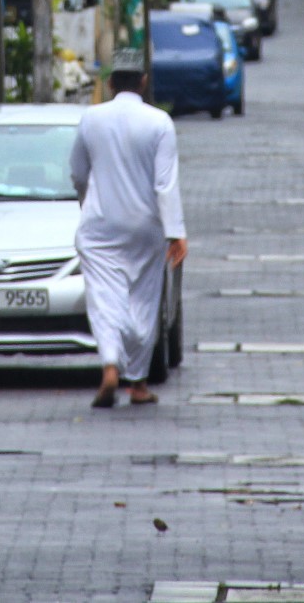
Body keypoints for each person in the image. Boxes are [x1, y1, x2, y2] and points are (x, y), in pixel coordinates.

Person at [69, 49, 189, 408]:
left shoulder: (91, 118)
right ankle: (136, 383)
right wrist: (175, 232)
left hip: (100, 226)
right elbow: (165, 184)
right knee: (143, 298)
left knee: (104, 297)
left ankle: (109, 364)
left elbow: (77, 172)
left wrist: (86, 201)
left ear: (109, 83)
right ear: (143, 81)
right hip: (145, 227)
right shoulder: (159, 123)